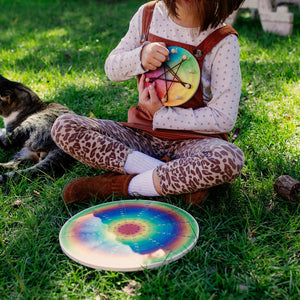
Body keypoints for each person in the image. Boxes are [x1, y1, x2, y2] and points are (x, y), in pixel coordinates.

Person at [51, 0, 245, 206]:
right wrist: (140, 56)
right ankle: (175, 181)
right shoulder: (149, 15)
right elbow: (111, 68)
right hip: (141, 135)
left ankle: (122, 186)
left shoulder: (223, 40)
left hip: (194, 142)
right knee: (65, 127)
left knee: (229, 158)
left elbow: (223, 118)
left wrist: (162, 115)